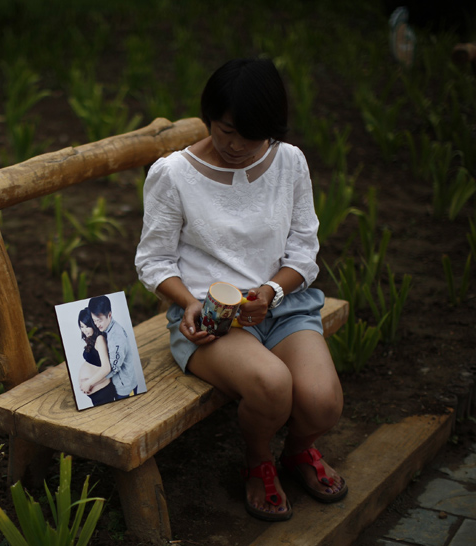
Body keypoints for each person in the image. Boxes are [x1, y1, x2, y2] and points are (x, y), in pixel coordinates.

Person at [135, 58, 347, 522]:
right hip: (212, 320)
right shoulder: (173, 174)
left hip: (283, 306)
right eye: (225, 130)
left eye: (251, 136)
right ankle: (259, 462)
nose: (236, 145)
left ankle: (297, 451)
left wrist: (270, 290)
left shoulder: (289, 161)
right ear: (209, 115)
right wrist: (189, 303)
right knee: (273, 386)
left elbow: (304, 251)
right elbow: (153, 260)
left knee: (324, 402)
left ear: (272, 128)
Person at [81, 295, 138, 399]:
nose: (97, 324)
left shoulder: (116, 338)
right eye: (94, 320)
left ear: (109, 315)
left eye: (99, 320)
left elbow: (112, 368)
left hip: (125, 389)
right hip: (118, 386)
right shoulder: (108, 330)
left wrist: (90, 383)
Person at [76, 308, 117, 406]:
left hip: (103, 391)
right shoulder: (93, 340)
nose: (84, 330)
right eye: (82, 326)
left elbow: (106, 368)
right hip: (99, 393)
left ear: (94, 324)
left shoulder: (100, 339)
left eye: (87, 326)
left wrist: (88, 383)